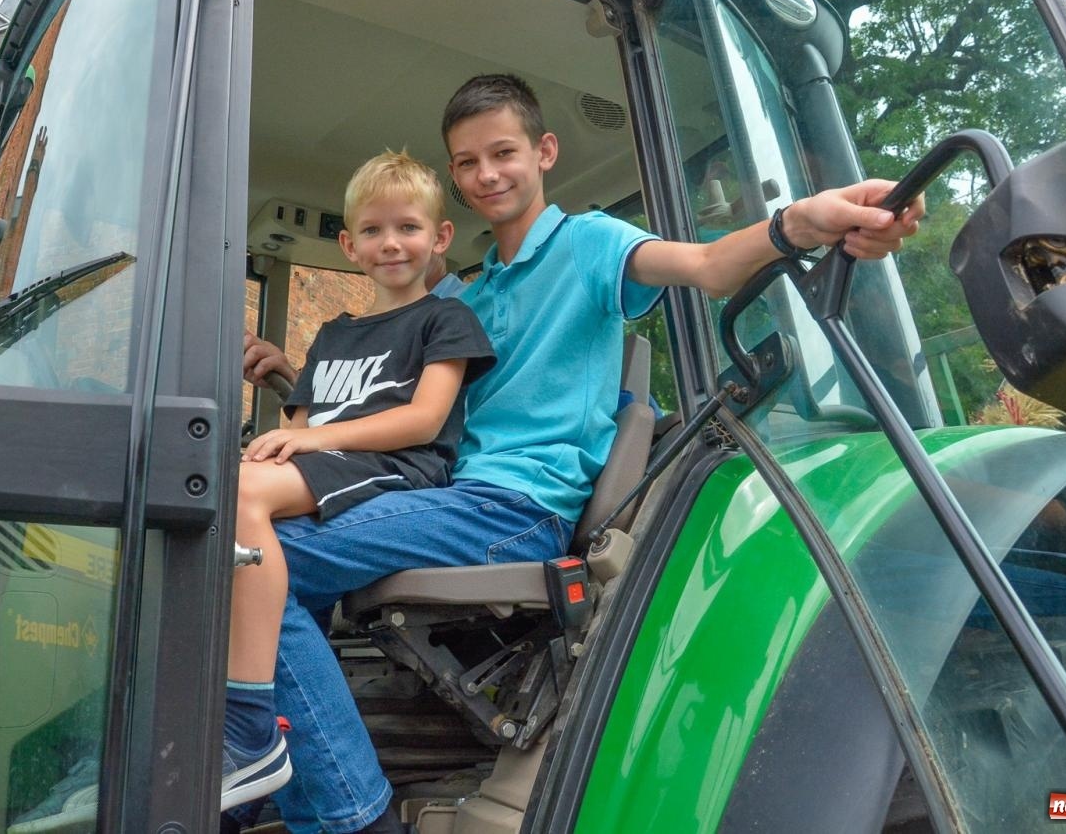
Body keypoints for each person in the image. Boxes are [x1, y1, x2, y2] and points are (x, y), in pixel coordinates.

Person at [240, 74, 922, 833]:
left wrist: (798, 223)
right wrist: (290, 377)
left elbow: (705, 266)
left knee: (254, 564)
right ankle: (272, 789)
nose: (487, 173)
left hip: (515, 508)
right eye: (467, 162)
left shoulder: (588, 243)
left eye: (503, 153)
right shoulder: (466, 297)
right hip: (444, 501)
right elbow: (384, 395)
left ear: (544, 152)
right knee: (248, 555)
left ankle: (351, 815)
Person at [221, 151, 495, 813]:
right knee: (219, 496)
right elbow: (300, 426)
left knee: (241, 496)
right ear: (349, 245)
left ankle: (249, 724)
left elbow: (424, 419)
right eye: (373, 230)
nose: (391, 243)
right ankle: (258, 760)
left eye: (407, 227)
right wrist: (280, 432)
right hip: (330, 466)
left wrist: (308, 442)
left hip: (395, 470)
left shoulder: (444, 320)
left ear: (440, 237)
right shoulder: (332, 335)